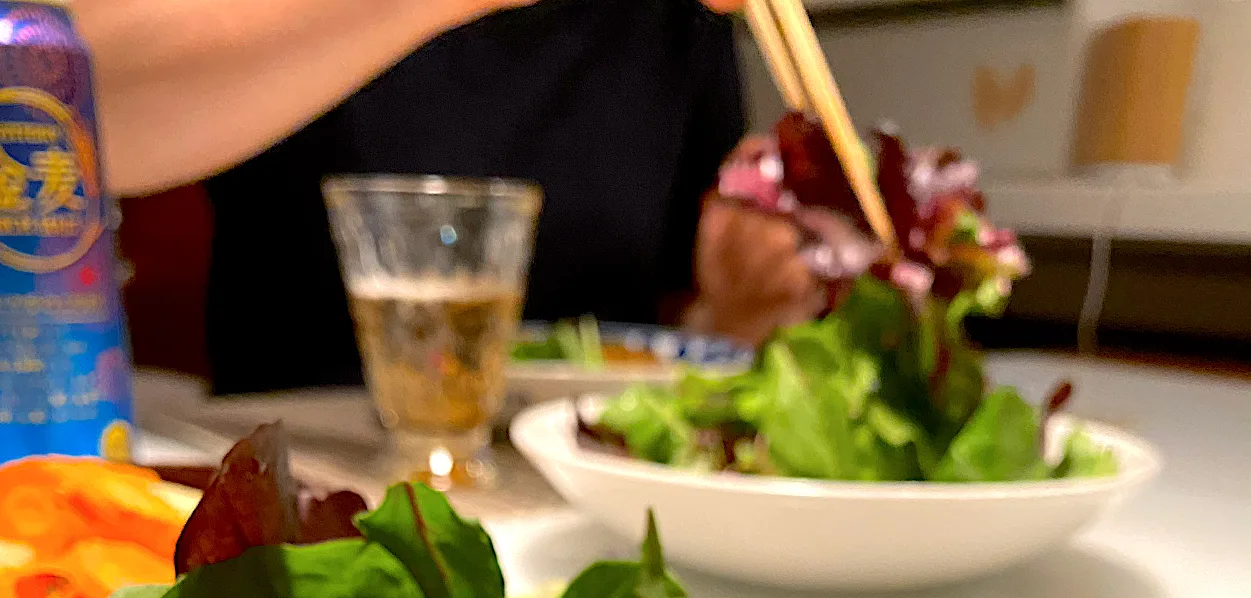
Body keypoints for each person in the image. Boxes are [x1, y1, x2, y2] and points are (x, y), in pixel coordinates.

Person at [77, 0, 822, 393]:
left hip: (593, 486)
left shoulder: (677, 19)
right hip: (308, 476)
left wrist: (733, 316)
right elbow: (67, 97)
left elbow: (663, 314)